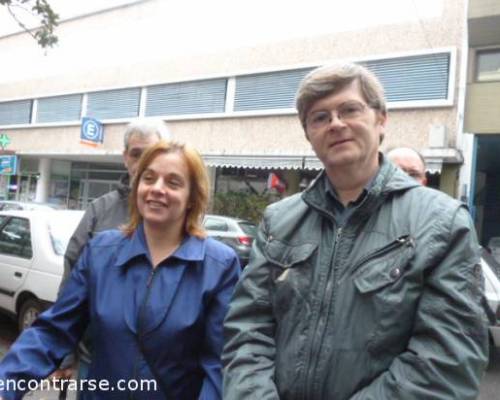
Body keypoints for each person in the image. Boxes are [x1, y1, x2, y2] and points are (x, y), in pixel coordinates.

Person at [222, 63, 488, 399]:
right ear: (309, 135)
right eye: (319, 117)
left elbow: (447, 362)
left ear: (381, 120)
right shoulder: (278, 221)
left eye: (350, 109)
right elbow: (248, 331)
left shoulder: (443, 223)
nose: (335, 123)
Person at [0, 141, 240, 399]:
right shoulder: (101, 252)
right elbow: (54, 330)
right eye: (149, 178)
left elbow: (219, 366)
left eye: (173, 182)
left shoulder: (219, 266)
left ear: (192, 198)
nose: (157, 189)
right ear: (137, 187)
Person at [54, 118, 169, 388]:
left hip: (160, 369)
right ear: (125, 157)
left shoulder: (177, 214)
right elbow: (70, 285)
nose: (141, 162)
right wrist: (64, 355)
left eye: (149, 153)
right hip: (97, 361)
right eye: (135, 153)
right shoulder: (99, 211)